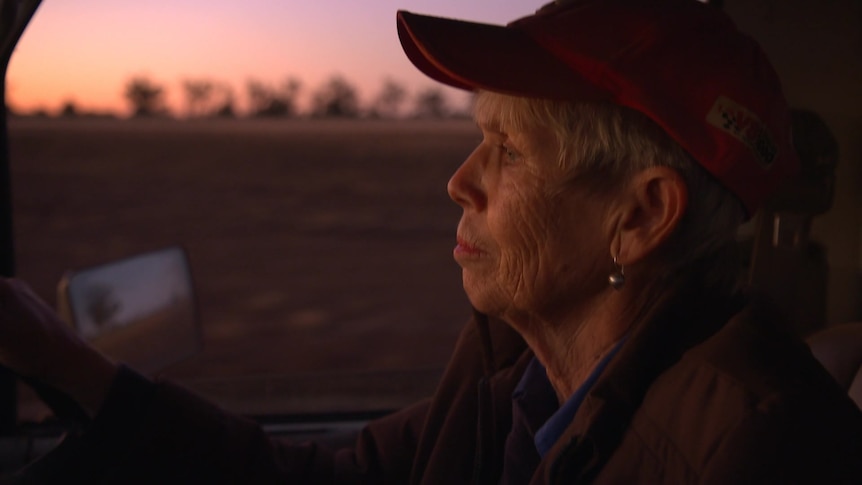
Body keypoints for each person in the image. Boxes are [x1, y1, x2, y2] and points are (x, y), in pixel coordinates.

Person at [2, 0, 861, 483]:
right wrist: (66, 360)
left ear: (639, 217)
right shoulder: (514, 373)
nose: (461, 181)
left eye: (511, 149)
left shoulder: (760, 450)